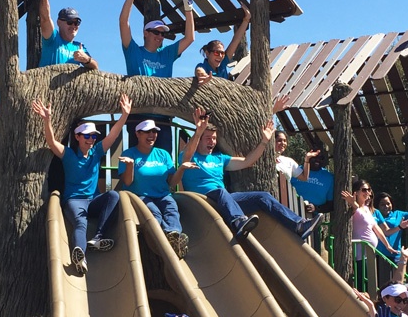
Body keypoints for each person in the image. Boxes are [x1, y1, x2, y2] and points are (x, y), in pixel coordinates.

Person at [174, 110, 322, 243]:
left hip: (222, 200)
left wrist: (264, 141)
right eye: (207, 138)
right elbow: (187, 154)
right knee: (221, 192)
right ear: (199, 140)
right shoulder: (190, 157)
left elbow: (247, 161)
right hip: (199, 201)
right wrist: (198, 132)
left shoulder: (220, 158)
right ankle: (238, 221)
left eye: (213, 138)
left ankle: (298, 225)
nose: (211, 141)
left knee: (262, 196)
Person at [34, 94, 130, 274]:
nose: (91, 139)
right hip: (74, 200)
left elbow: (113, 134)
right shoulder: (69, 154)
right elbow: (51, 142)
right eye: (87, 135)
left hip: (92, 201)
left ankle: (99, 237)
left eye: (94, 136)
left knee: (113, 195)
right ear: (77, 137)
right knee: (80, 223)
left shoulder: (96, 152)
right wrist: (47, 120)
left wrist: (124, 116)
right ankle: (80, 256)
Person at [119, 0, 195, 153]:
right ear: (145, 33)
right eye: (156, 32)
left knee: (166, 163)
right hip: (138, 115)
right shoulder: (133, 51)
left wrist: (188, 9)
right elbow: (123, 22)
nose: (160, 36)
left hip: (163, 117)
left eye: (163, 33)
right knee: (136, 163)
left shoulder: (167, 54)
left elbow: (189, 38)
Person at [118, 119, 188, 258]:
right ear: (138, 134)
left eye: (154, 132)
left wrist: (182, 169)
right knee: (154, 213)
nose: (152, 135)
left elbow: (171, 182)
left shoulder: (163, 154)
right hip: (140, 196)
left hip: (162, 195)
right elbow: (127, 181)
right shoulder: (129, 154)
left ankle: (173, 234)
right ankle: (163, 239)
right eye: (147, 132)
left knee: (171, 208)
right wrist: (130, 166)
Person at [37, 0, 98, 70]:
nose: (74, 26)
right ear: (59, 22)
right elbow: (45, 18)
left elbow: (95, 67)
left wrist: (86, 59)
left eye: (76, 23)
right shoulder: (53, 39)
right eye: (69, 22)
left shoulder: (79, 47)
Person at [340, 179, 398, 259]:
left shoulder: (367, 209)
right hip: (359, 256)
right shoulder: (353, 208)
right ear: (356, 192)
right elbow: (355, 208)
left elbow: (377, 228)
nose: (367, 192)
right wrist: (352, 202)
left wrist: (387, 246)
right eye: (364, 190)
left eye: (369, 189)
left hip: (369, 254)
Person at [194, 6, 250, 85]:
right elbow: (199, 69)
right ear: (207, 53)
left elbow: (236, 40)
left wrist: (246, 20)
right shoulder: (203, 66)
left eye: (222, 53)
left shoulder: (223, 64)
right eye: (216, 53)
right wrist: (202, 75)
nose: (220, 56)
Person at [292, 148, 335, 215]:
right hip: (290, 210)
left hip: (312, 218)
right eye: (315, 157)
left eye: (321, 158)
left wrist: (316, 208)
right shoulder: (296, 171)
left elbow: (331, 204)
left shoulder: (329, 177)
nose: (317, 160)